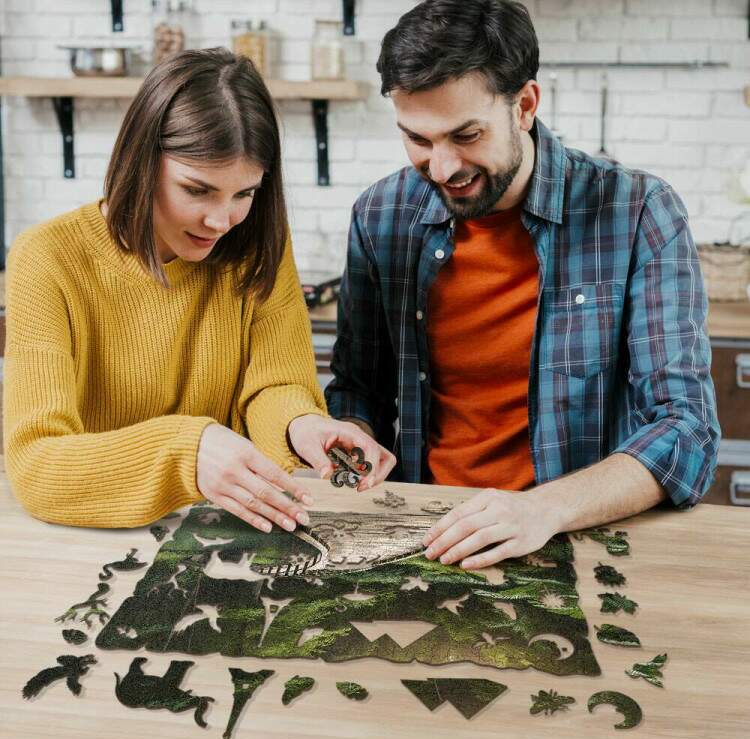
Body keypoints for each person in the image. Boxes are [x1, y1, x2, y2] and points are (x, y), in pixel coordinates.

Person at [326, 0, 719, 569]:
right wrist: (350, 440)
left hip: (573, 540)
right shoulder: (381, 214)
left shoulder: (637, 211)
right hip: (423, 539)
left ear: (525, 105)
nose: (441, 167)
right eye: (417, 138)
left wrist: (542, 509)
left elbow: (685, 431)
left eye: (466, 135)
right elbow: (358, 388)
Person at [3, 48, 395, 531]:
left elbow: (276, 384)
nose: (220, 220)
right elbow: (37, 465)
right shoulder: (47, 258)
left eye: (244, 194)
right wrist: (187, 451)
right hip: (87, 539)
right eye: (196, 189)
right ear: (141, 162)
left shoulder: (254, 245)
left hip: (216, 535)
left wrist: (304, 426)